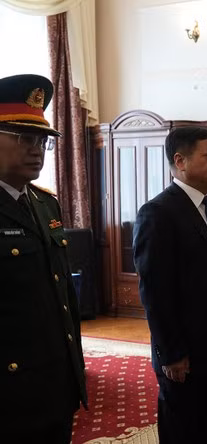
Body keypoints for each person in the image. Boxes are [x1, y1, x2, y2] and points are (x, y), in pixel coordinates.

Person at [133, 127, 207, 443]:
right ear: (180, 161)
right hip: (187, 355)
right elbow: (155, 292)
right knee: (185, 431)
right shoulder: (158, 213)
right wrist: (171, 353)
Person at [0, 74, 87, 443]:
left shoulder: (45, 203)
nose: (36, 149)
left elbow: (61, 295)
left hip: (54, 384)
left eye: (41, 140)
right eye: (23, 138)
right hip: (9, 394)